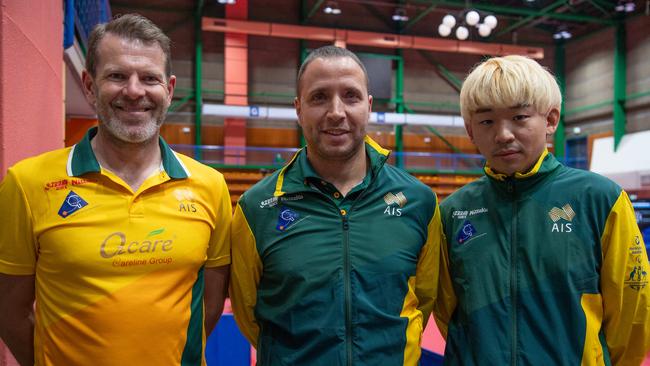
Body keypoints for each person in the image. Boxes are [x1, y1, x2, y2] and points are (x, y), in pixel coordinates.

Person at [0, 14, 232, 366]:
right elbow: (9, 309)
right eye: (117, 76)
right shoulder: (28, 183)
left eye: (149, 78)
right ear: (90, 86)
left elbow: (211, 301)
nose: (135, 91)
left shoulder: (209, 185)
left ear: (168, 90)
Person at [229, 45, 442, 365]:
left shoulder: (419, 202)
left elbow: (422, 302)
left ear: (368, 106)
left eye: (351, 96)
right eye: (319, 97)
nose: (336, 112)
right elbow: (249, 313)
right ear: (298, 109)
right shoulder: (257, 208)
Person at [434, 55, 650, 365]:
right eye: (486, 121)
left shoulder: (600, 200)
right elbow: (446, 309)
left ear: (549, 120)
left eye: (519, 117)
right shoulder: (453, 212)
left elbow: (632, 310)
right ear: (470, 130)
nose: (503, 134)